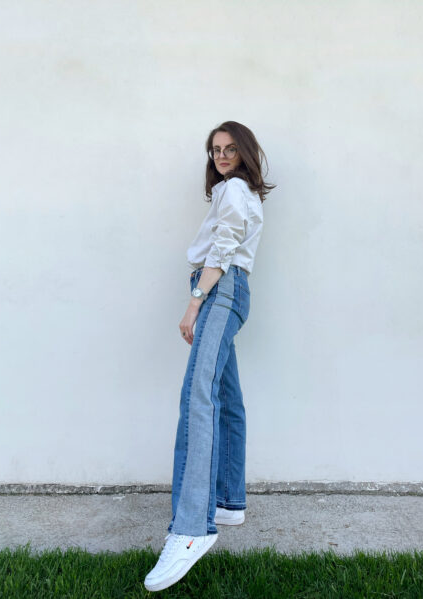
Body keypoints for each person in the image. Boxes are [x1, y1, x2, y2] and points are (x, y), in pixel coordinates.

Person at [144, 121, 275, 592]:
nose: (221, 156)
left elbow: (225, 246)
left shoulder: (235, 189)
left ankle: (191, 528)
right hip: (229, 289)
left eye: (230, 149)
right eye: (215, 150)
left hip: (221, 290)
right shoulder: (234, 191)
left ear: (245, 153)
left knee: (197, 398)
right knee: (225, 396)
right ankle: (227, 502)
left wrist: (195, 301)